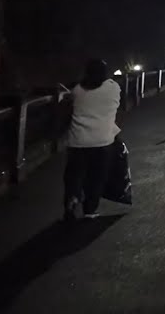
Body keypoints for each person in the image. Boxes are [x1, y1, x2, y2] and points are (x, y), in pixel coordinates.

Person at [63, 59, 121, 221]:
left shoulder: (77, 91)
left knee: (74, 174)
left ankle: (72, 197)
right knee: (96, 177)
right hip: (102, 141)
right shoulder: (113, 88)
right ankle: (89, 209)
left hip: (77, 141)